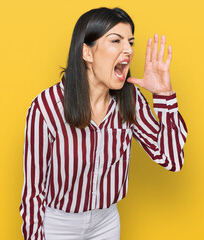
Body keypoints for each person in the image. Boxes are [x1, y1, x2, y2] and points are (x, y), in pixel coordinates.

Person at [19, 7, 187, 240]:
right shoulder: (46, 108)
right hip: (59, 225)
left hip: (106, 222)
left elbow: (172, 159)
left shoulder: (130, 100)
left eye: (130, 42)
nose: (128, 50)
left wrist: (164, 95)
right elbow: (33, 192)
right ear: (87, 53)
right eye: (116, 41)